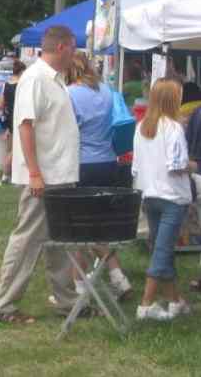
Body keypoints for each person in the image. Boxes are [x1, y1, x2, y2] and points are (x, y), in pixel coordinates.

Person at [0, 26, 83, 324]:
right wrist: (35, 173)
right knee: (27, 240)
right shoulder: (36, 79)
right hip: (44, 177)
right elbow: (25, 126)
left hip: (59, 175)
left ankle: (67, 301)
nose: (76, 54)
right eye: (74, 48)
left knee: (59, 242)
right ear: (64, 46)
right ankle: (3, 305)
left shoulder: (54, 80)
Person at [67, 53, 132, 299]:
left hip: (82, 164)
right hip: (108, 162)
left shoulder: (70, 94)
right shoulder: (107, 91)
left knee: (78, 229)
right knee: (98, 226)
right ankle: (118, 277)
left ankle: (79, 285)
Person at [132, 78, 195, 321]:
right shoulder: (174, 128)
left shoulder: (142, 126)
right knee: (162, 252)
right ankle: (145, 305)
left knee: (162, 249)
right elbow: (177, 165)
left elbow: (135, 167)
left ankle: (175, 300)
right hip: (172, 197)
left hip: (150, 195)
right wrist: (194, 165)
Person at [0, 59, 26, 186]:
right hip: (20, 118)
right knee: (18, 150)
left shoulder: (6, 84)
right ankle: (8, 176)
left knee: (10, 149)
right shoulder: (23, 84)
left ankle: (7, 175)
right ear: (22, 71)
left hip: (9, 118)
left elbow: (0, 104)